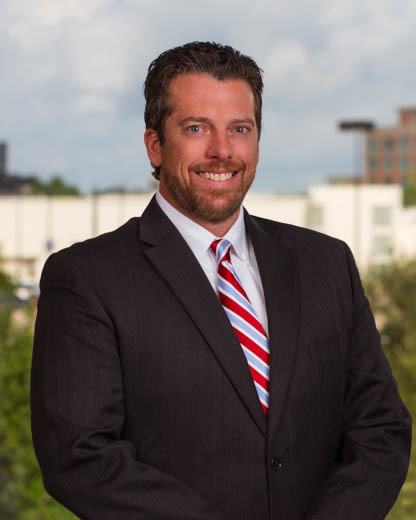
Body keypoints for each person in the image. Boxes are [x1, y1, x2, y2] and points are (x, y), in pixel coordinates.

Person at [31, 41, 411, 520]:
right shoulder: (86, 278)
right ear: (155, 144)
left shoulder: (327, 263)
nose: (222, 151)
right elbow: (80, 457)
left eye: (239, 129)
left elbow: (380, 428)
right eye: (196, 128)